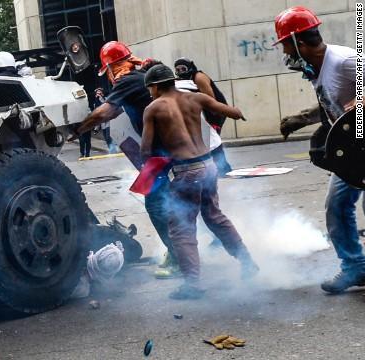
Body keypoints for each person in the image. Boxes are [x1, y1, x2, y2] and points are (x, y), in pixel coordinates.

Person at [141, 64, 259, 299]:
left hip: (186, 172)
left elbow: (146, 150)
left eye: (150, 88)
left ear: (154, 86)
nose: (150, 92)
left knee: (182, 229)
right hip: (209, 166)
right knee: (215, 217)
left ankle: (192, 285)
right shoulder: (195, 99)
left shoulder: (153, 108)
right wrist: (238, 112)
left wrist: (160, 158)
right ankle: (247, 262)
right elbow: (231, 111)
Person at [68, 41, 180, 278]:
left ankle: (179, 256)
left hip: (161, 152)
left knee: (157, 204)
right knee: (169, 202)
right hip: (167, 149)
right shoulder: (138, 77)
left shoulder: (127, 80)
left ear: (110, 67)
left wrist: (78, 130)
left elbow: (107, 111)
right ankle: (180, 250)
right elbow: (119, 109)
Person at [273, 6, 363, 293]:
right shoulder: (317, 69)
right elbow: (330, 102)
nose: (285, 52)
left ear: (300, 42)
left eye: (286, 44)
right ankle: (355, 268)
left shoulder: (344, 60)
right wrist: (300, 119)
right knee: (336, 206)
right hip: (353, 149)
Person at [174, 57, 232, 177]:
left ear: (190, 67)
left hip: (214, 112)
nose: (180, 72)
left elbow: (210, 99)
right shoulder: (183, 80)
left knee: (212, 140)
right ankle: (216, 167)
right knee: (209, 140)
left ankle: (222, 168)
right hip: (204, 112)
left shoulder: (198, 77)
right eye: (177, 69)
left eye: (183, 69)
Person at [93, 88, 116, 153]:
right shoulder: (96, 102)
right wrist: (96, 128)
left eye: (99, 93)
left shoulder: (106, 99)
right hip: (102, 122)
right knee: (106, 138)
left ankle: (113, 149)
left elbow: (106, 104)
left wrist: (100, 98)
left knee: (109, 137)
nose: (98, 94)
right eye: (97, 93)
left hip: (109, 121)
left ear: (102, 93)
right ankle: (111, 149)